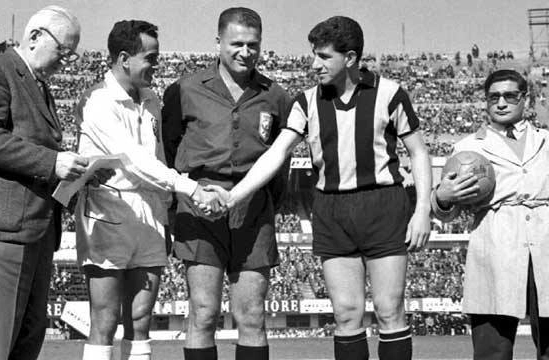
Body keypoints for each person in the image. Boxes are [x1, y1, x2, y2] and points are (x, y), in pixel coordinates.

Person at [219, 16, 431, 360]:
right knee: (346, 314)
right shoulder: (306, 102)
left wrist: (422, 211)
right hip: (331, 209)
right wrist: (233, 196)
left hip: (383, 204)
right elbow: (277, 154)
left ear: (349, 58)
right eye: (313, 54)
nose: (314, 64)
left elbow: (419, 152)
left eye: (323, 56)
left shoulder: (390, 94)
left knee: (389, 310)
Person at [0, 6, 89, 360]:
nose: (67, 62)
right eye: (63, 51)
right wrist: (52, 162)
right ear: (35, 37)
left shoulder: (39, 85)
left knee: (25, 341)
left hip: (33, 230)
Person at [75, 20, 219, 360]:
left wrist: (170, 205)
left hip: (150, 213)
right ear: (124, 58)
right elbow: (134, 160)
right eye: (150, 58)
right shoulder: (97, 100)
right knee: (105, 320)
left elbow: (159, 157)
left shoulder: (152, 99)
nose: (157, 65)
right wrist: (191, 189)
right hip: (109, 211)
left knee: (140, 319)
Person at [161, 7, 292, 360]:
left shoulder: (276, 96)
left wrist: (261, 203)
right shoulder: (184, 90)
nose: (245, 52)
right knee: (202, 313)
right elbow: (169, 149)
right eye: (237, 43)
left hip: (252, 212)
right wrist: (188, 196)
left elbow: (280, 163)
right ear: (218, 42)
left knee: (252, 316)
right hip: (200, 209)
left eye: (253, 45)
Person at [431, 69, 549, 360]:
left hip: (545, 242)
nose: (501, 102)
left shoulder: (546, 140)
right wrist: (442, 198)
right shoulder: (467, 148)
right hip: (495, 243)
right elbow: (447, 211)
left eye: (510, 95)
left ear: (527, 100)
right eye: (493, 96)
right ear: (485, 102)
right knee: (492, 349)